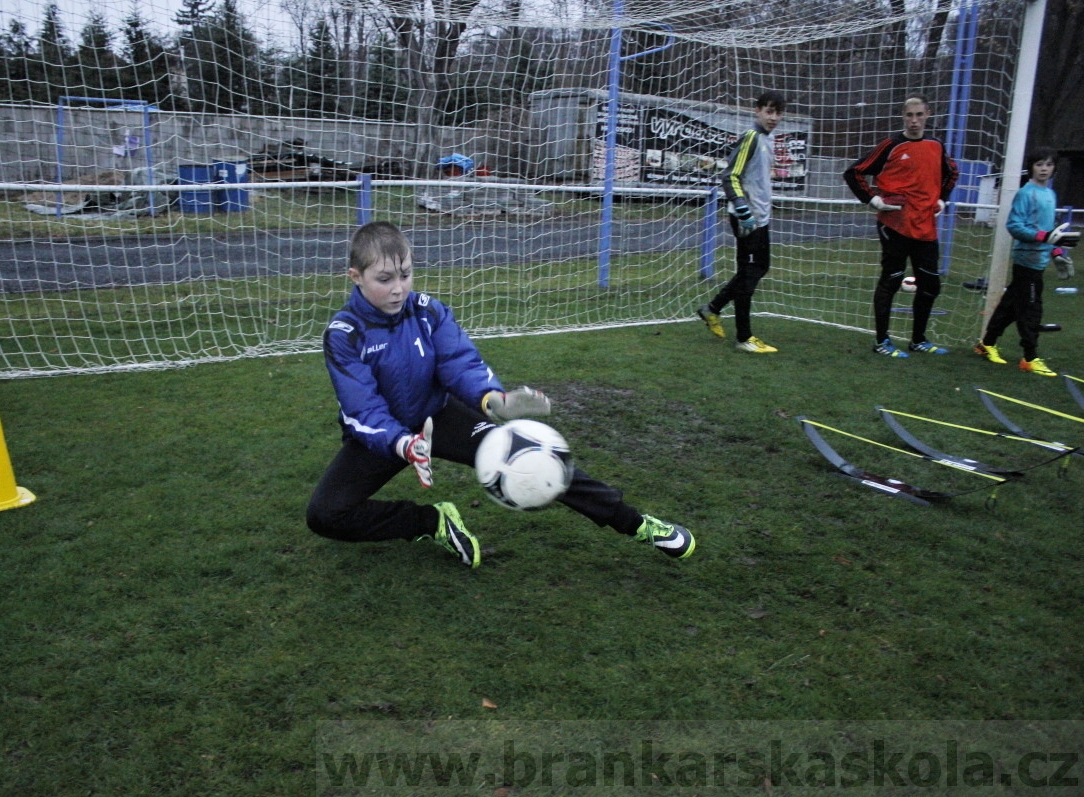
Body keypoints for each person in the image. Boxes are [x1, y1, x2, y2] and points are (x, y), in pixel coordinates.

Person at [306, 221, 697, 568]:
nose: (399, 289)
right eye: (385, 278)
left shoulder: (429, 312)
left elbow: (460, 364)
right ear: (355, 276)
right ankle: (431, 522)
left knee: (538, 460)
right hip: (386, 436)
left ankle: (639, 524)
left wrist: (493, 400)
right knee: (325, 515)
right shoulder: (345, 334)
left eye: (406, 274)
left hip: (440, 416)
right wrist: (403, 444)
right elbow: (362, 409)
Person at [844, 96, 959, 358]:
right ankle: (882, 341)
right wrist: (873, 199)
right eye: (909, 115)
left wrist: (942, 198)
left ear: (928, 114)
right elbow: (854, 172)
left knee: (931, 285)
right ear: (903, 116)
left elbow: (952, 172)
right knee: (891, 282)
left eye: (919, 114)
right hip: (894, 225)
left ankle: (918, 339)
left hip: (926, 226)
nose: (915, 120)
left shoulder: (936, 146)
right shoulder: (891, 145)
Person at [697, 90, 788, 353]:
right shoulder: (751, 136)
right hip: (746, 219)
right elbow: (730, 176)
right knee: (750, 273)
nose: (774, 117)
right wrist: (742, 208)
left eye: (778, 112)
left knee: (756, 269)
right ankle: (744, 337)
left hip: (760, 218)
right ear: (757, 111)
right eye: (769, 111)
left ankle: (713, 309)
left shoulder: (767, 140)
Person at [974, 148, 1078, 377]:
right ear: (1031, 166)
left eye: (1048, 165)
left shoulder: (1050, 194)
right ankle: (1030, 357)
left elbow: (1050, 230)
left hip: (1040, 260)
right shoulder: (1026, 193)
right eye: (1039, 164)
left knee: (1011, 306)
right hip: (1026, 260)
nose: (1043, 169)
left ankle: (986, 343)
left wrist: (1057, 251)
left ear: (1054, 169)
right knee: (1031, 309)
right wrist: (1042, 237)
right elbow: (1014, 225)